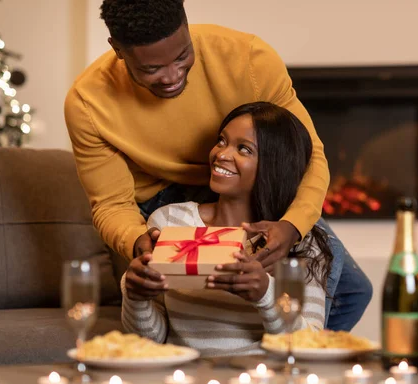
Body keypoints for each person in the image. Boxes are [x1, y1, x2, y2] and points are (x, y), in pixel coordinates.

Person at [64, 0, 372, 331]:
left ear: (185, 23)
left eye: (182, 57)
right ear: (118, 50)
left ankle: (290, 365)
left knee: (353, 291)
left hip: (253, 180)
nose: (171, 76)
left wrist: (292, 226)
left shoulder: (249, 59)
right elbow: (111, 204)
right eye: (151, 69)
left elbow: (306, 154)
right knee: (192, 305)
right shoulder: (87, 103)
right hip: (161, 196)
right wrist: (137, 239)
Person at [122, 102, 331, 355]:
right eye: (222, 141)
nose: (221, 154)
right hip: (185, 378)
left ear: (274, 165)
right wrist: (135, 296)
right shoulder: (169, 222)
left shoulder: (299, 242)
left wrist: (265, 295)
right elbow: (150, 341)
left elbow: (309, 344)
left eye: (244, 149)